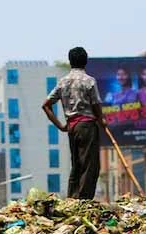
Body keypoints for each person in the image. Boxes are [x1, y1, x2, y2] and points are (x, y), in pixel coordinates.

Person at [43, 46, 106, 200]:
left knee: (76, 165)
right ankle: (83, 200)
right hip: (87, 126)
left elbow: (46, 105)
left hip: (72, 127)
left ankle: (72, 198)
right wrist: (101, 120)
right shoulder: (89, 81)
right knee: (90, 165)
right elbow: (96, 104)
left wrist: (61, 126)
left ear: (70, 62)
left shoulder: (63, 82)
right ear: (85, 62)